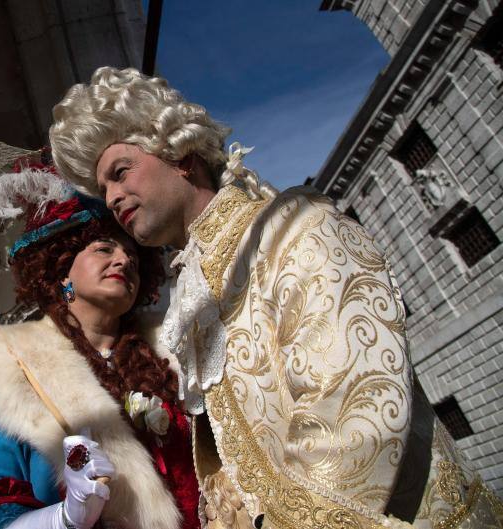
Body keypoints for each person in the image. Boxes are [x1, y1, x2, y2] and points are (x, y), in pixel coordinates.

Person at [49, 67, 503, 529]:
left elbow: (353, 417)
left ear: (179, 154)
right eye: (104, 190)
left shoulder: (293, 225)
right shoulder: (189, 297)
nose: (112, 198)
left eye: (120, 173)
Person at [0, 155, 200, 529]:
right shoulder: (10, 377)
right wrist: (65, 516)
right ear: (61, 270)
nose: (124, 260)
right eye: (104, 249)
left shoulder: (178, 352)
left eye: (133, 258)